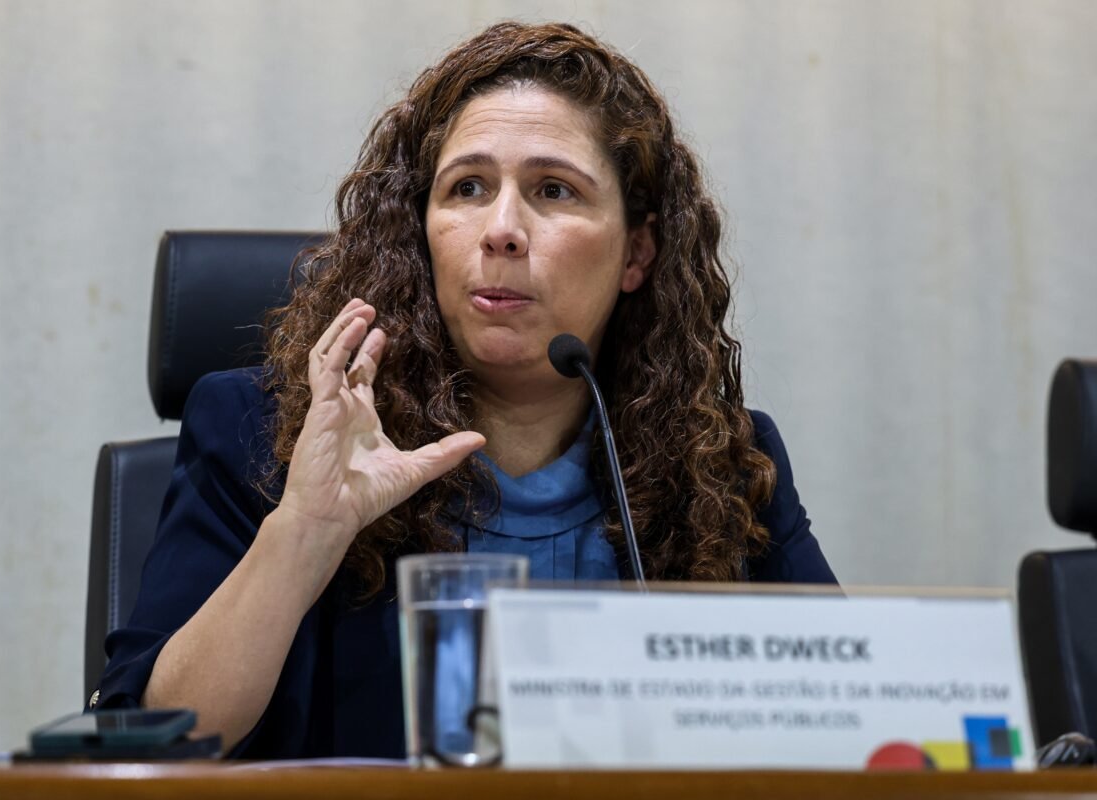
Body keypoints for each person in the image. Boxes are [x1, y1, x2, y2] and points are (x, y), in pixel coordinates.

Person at [94, 21, 836, 759]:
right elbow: (151, 742)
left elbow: (842, 719)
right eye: (468, 188)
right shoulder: (270, 432)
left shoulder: (718, 463)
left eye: (554, 190)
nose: (502, 229)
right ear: (421, 229)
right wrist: (306, 531)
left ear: (636, 252)